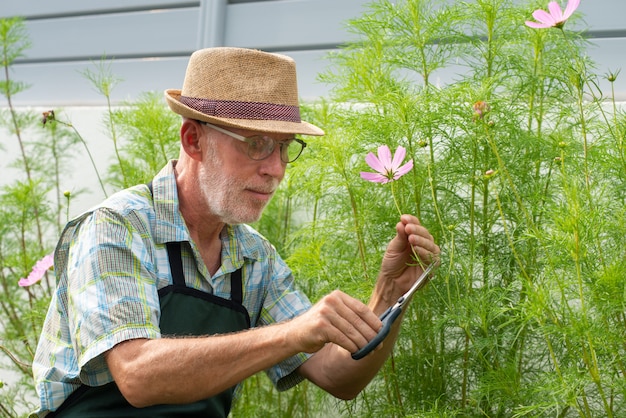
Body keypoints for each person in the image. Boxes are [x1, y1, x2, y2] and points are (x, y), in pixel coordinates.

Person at [32, 47, 440, 417]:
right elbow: (139, 375)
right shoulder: (120, 226)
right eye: (257, 143)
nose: (276, 169)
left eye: (284, 147)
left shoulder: (255, 257)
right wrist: (293, 333)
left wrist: (390, 295)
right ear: (193, 140)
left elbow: (338, 377)